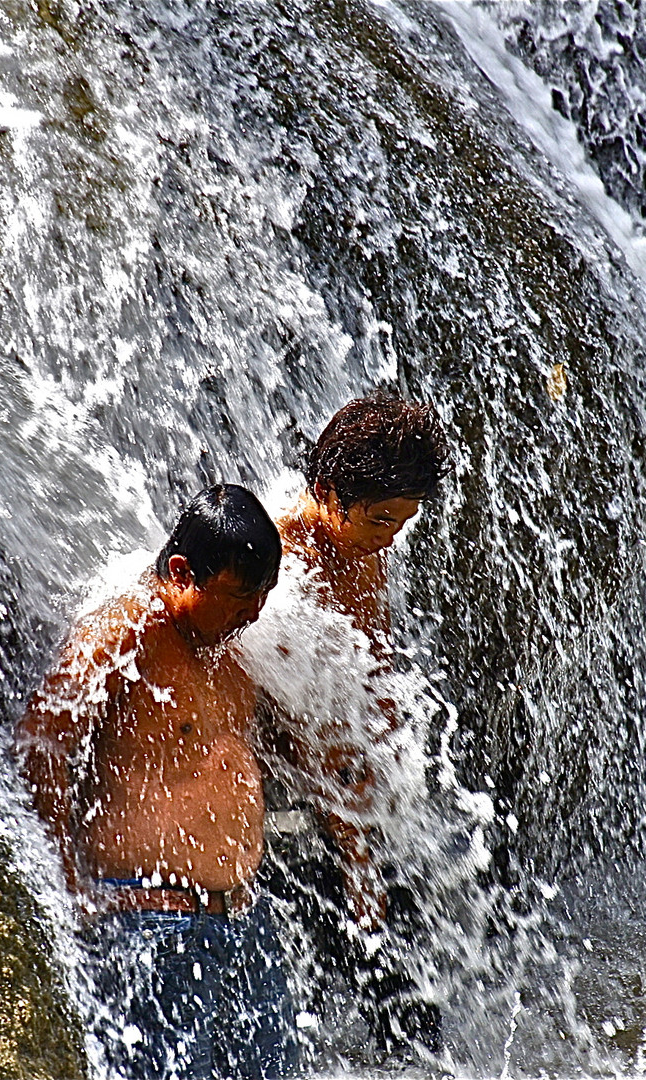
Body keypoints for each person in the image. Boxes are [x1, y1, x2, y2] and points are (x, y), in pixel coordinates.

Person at [15, 484, 297, 1080]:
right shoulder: (124, 634)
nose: (251, 615)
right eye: (239, 596)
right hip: (151, 923)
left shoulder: (228, 651)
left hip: (242, 923)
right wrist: (67, 881)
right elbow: (41, 745)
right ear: (180, 571)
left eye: (262, 599)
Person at [240, 395, 450, 1065]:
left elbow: (373, 661)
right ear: (327, 492)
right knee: (338, 962)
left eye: (403, 520)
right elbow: (303, 731)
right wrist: (358, 856)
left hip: (340, 791)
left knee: (405, 990)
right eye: (380, 518)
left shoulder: (362, 543)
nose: (389, 534)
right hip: (282, 811)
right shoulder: (280, 565)